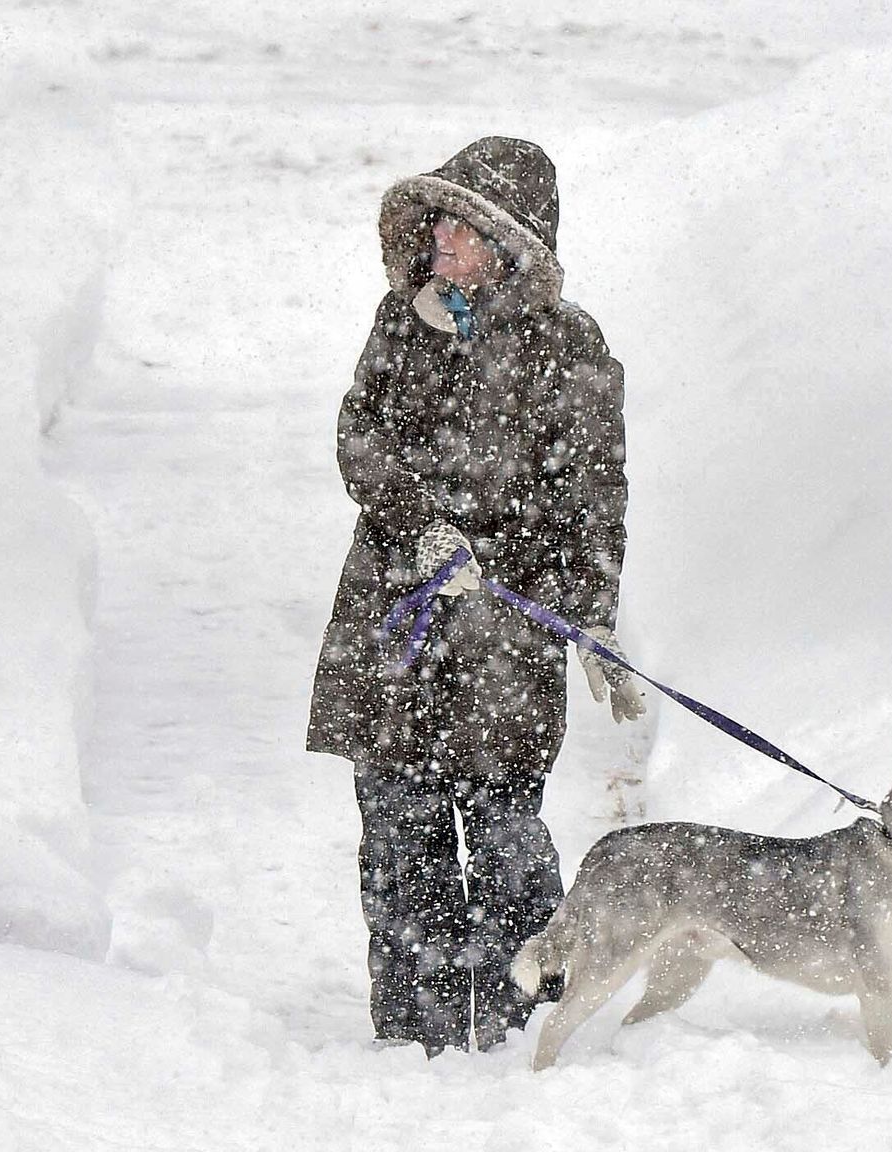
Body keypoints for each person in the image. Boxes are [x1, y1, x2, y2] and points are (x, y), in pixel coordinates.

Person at [307, 137, 644, 1053]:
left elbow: (592, 494)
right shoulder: (398, 322)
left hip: (505, 632)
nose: (444, 238)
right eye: (440, 219)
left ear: (509, 243)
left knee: (504, 832)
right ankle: (414, 1031)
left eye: (464, 223)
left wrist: (593, 615)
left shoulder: (569, 346)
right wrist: (421, 526)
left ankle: (521, 1021)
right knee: (399, 827)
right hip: (394, 618)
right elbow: (358, 436)